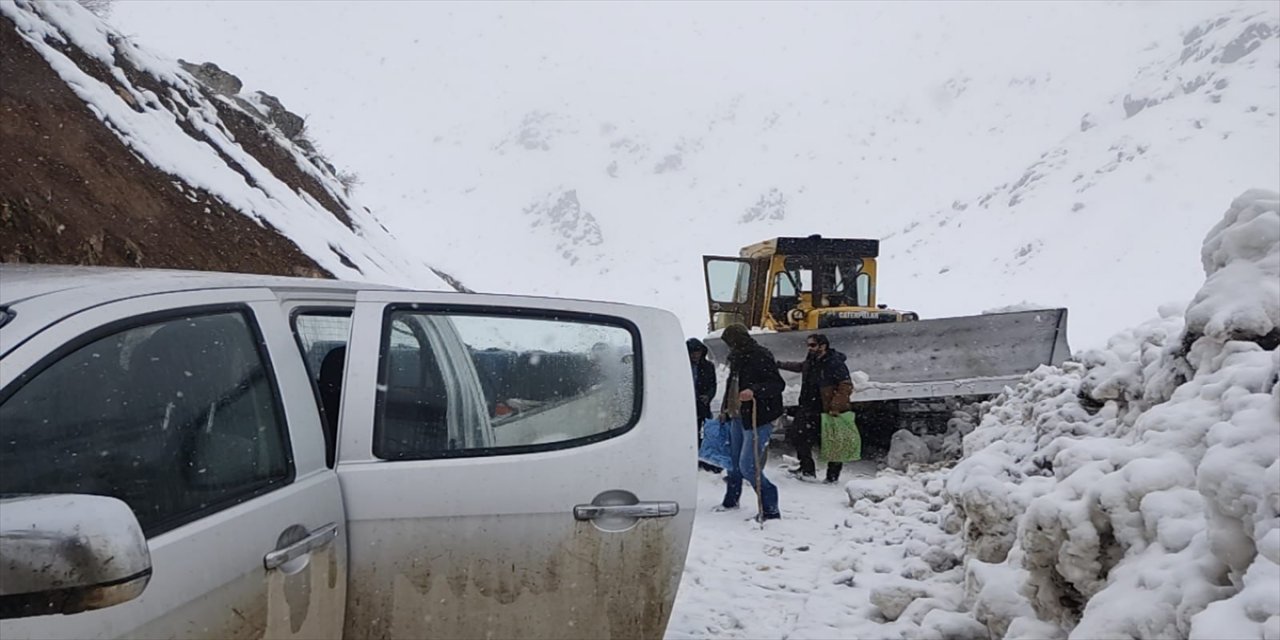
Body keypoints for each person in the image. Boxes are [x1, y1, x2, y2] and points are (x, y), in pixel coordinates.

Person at [715, 324, 784, 521]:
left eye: (730, 342)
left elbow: (777, 384)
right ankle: (731, 500)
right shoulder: (737, 357)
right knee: (733, 462)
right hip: (737, 414)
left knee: (747, 465)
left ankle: (770, 507)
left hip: (758, 416)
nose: (729, 347)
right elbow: (732, 384)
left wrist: (755, 390)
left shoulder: (759, 355)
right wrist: (724, 410)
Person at [778, 333, 854, 483]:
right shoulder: (811, 360)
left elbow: (845, 385)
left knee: (833, 443)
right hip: (808, 406)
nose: (809, 348)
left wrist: (836, 406)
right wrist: (780, 364)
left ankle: (832, 476)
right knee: (798, 436)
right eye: (808, 345)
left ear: (823, 346)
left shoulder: (835, 363)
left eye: (812, 345)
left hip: (827, 409)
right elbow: (801, 367)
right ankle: (807, 470)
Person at [687, 338, 721, 473]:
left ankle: (705, 460)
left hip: (702, 404)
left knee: (707, 432)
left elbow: (713, 385)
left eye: (698, 352)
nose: (695, 355)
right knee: (690, 432)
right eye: (693, 352)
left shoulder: (708, 367)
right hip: (686, 404)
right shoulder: (681, 365)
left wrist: (708, 396)